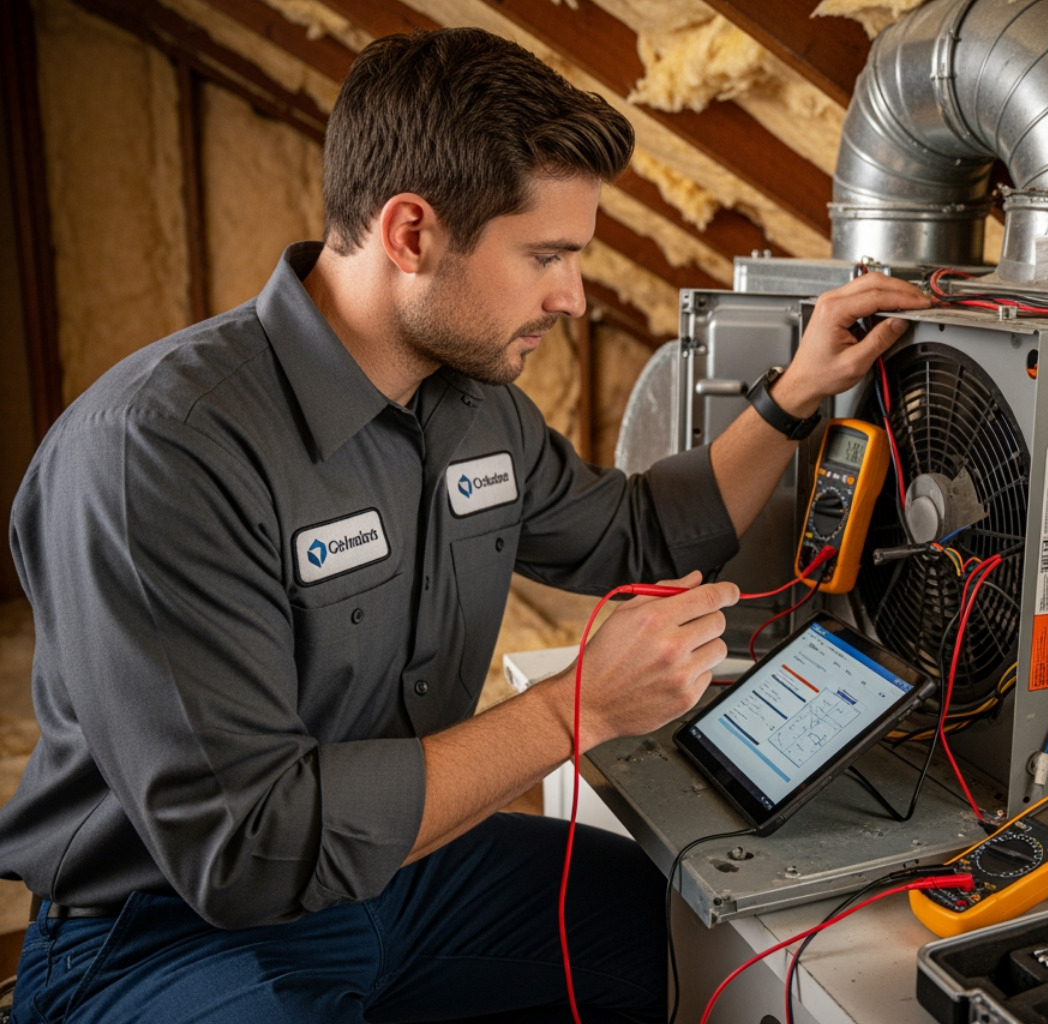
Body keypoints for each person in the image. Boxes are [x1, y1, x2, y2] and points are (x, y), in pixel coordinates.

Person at [0, 25, 928, 1024]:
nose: (571, 296)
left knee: (685, 937)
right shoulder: (158, 454)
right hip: (169, 927)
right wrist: (575, 712)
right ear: (410, 234)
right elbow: (252, 850)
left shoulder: (474, 408)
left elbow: (642, 534)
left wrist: (798, 394)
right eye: (545, 255)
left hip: (409, 868)